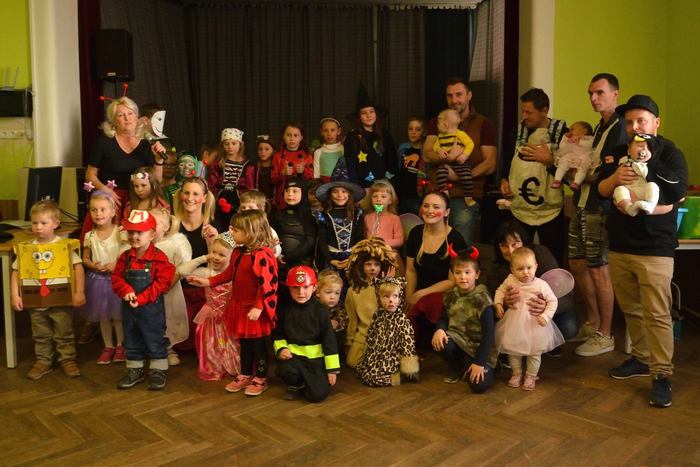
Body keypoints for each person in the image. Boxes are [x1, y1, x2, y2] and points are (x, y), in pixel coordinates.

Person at [598, 94, 688, 408]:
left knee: (658, 313)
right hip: (620, 245)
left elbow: (677, 192)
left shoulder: (670, 153)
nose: (635, 127)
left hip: (656, 248)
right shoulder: (617, 153)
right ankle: (640, 358)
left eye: (642, 121)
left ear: (656, 123)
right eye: (629, 122)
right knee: (631, 308)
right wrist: (614, 179)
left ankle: (662, 374)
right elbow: (601, 190)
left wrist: (648, 161)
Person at [187, 210, 279, 396]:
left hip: (255, 310)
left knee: (259, 346)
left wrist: (259, 306)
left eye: (236, 230)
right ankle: (245, 374)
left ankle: (261, 378)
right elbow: (229, 274)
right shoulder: (238, 252)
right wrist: (207, 282)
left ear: (251, 231)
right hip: (240, 307)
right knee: (244, 344)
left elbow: (267, 284)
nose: (231, 232)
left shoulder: (263, 255)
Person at [568, 74, 628, 357]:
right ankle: (593, 323)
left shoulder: (620, 127)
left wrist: (583, 174)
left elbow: (608, 173)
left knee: (598, 268)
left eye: (600, 92)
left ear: (615, 94)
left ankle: (605, 334)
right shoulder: (599, 126)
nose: (593, 98)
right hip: (582, 203)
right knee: (577, 262)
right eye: (590, 93)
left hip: (600, 207)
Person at [11, 200, 85, 379]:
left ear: (55, 223)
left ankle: (67, 359)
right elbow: (16, 272)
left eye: (43, 223)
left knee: (64, 332)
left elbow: (78, 268)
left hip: (61, 300)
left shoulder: (64, 246)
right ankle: (43, 361)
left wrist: (79, 292)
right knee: (40, 334)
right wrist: (15, 295)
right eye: (35, 222)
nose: (38, 227)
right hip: (36, 301)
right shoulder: (27, 248)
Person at [423, 77, 497, 245]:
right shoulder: (438, 121)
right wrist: (448, 156)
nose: (454, 100)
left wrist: (461, 176)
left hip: (465, 197)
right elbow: (427, 154)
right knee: (434, 246)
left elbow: (490, 164)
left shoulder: (483, 123)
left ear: (469, 95)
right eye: (449, 96)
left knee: (460, 248)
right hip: (437, 195)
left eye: (459, 94)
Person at [481, 221, 578, 345]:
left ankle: (545, 344)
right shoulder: (496, 266)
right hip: (516, 314)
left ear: (524, 242)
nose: (510, 250)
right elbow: (492, 294)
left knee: (568, 328)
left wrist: (546, 307)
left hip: (546, 310)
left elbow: (567, 296)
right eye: (504, 245)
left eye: (515, 244)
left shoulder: (541, 255)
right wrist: (503, 302)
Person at [112, 209, 175, 390]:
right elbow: (116, 278)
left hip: (151, 309)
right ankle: (135, 369)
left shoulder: (159, 258)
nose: (134, 236)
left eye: (140, 232)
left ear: (152, 235)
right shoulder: (125, 258)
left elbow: (162, 283)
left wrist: (141, 298)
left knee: (154, 337)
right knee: (131, 338)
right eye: (131, 232)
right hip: (129, 309)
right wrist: (126, 290)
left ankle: (158, 369)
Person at [494, 247, 564, 391]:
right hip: (514, 322)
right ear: (512, 269)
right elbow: (500, 290)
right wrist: (498, 303)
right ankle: (516, 373)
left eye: (529, 268)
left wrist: (546, 315)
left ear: (536, 266)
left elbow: (553, 301)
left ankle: (531, 375)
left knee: (534, 352)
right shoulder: (510, 280)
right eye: (520, 269)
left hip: (534, 323)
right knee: (513, 350)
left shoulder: (541, 285)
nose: (525, 272)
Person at [405, 191, 467, 347]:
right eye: (426, 206)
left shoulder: (456, 239)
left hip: (443, 296)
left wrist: (420, 294)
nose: (430, 210)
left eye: (436, 207)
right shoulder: (415, 233)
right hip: (417, 292)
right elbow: (411, 270)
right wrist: (409, 297)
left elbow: (452, 281)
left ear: (447, 212)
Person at [432, 249, 496, 394]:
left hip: (479, 350)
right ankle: (456, 366)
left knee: (479, 386)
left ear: (477, 274)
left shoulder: (482, 299)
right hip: (458, 342)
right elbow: (443, 317)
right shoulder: (451, 295)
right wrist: (440, 329)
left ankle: (477, 367)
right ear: (453, 274)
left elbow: (489, 335)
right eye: (458, 272)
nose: (463, 277)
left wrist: (479, 362)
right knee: (441, 341)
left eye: (467, 272)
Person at [178, 233, 240, 381]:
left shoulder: (236, 275)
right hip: (210, 318)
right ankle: (215, 366)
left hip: (229, 318)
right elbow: (182, 271)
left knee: (232, 345)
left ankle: (231, 365)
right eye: (214, 252)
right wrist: (205, 257)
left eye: (222, 255)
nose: (216, 257)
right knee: (210, 345)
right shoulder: (207, 272)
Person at [273, 266, 340, 402]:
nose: (301, 292)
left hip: (316, 361)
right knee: (284, 369)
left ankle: (306, 383)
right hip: (293, 358)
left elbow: (329, 341)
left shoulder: (320, 311)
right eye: (295, 288)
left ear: (314, 288)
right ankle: (295, 385)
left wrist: (332, 370)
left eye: (306, 287)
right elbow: (278, 334)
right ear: (289, 288)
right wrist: (281, 349)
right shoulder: (284, 309)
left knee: (318, 395)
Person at [173, 176, 220, 351]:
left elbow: (220, 267)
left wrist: (213, 242)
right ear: (180, 195)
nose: (190, 198)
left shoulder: (214, 226)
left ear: (204, 198)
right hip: (177, 288)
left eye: (195, 194)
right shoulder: (172, 225)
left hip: (203, 290)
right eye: (186, 193)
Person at [80, 191, 127, 365]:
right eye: (94, 210)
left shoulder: (120, 232)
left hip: (117, 280)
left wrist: (116, 264)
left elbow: (127, 254)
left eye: (102, 209)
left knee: (118, 316)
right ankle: (108, 346)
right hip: (98, 281)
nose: (98, 214)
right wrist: (93, 265)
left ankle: (121, 345)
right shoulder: (90, 236)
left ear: (113, 212)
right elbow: (85, 258)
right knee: (103, 316)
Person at [344, 237, 398, 368]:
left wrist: (387, 286)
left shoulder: (388, 287)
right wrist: (349, 341)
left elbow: (394, 314)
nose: (372, 268)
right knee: (352, 362)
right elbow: (352, 319)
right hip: (363, 336)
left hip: (384, 335)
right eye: (368, 264)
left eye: (376, 265)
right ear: (361, 266)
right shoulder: (353, 291)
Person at [356, 277, 419, 387]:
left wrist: (409, 368)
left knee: (371, 378)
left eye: (395, 296)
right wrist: (370, 354)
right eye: (386, 296)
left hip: (392, 359)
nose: (391, 300)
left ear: (400, 298)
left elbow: (408, 346)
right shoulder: (378, 315)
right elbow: (371, 336)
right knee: (361, 370)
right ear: (379, 298)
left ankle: (399, 378)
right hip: (377, 355)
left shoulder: (401, 320)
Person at [151, 208, 192, 366]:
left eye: (155, 224)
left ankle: (168, 348)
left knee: (168, 318)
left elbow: (180, 269)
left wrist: (167, 285)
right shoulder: (143, 245)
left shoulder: (173, 245)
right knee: (150, 319)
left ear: (166, 227)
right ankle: (152, 348)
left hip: (169, 291)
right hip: (149, 291)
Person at [343, 82, 398, 189]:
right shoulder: (352, 137)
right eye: (364, 113)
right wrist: (357, 189)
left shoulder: (385, 134)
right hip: (363, 188)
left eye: (371, 111)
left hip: (384, 187)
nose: (368, 115)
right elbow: (351, 166)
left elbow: (392, 161)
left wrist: (393, 185)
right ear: (359, 117)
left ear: (376, 113)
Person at [314, 177, 366, 272]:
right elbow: (322, 240)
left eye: (344, 191)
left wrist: (353, 258)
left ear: (349, 193)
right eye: (335, 191)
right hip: (331, 258)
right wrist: (331, 260)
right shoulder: (324, 215)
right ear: (329, 194)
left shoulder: (357, 213)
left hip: (353, 258)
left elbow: (360, 238)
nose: (340, 195)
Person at [269, 177, 317, 277]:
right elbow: (272, 237)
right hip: (278, 263)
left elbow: (310, 242)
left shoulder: (309, 216)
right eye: (287, 191)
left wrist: (287, 258)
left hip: (302, 266)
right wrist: (277, 255)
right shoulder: (277, 214)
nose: (290, 194)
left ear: (303, 193)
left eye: (295, 191)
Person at [433, 109, 476, 206]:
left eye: (438, 123)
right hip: (446, 163)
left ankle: (468, 197)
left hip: (460, 163)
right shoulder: (440, 136)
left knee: (467, 177)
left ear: (445, 125)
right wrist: (439, 150)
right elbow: (435, 146)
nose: (437, 125)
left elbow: (470, 144)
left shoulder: (460, 134)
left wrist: (465, 155)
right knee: (440, 173)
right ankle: (445, 193)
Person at [210, 128, 250, 226]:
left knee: (236, 223)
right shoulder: (218, 162)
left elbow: (249, 184)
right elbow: (212, 182)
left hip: (238, 198)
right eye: (226, 144)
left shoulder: (247, 164)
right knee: (219, 222)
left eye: (234, 143)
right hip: (220, 197)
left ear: (240, 144)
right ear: (222, 145)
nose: (230, 147)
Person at [612, 134, 660, 216]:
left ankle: (650, 205)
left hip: (643, 191)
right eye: (640, 146)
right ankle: (629, 208)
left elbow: (648, 175)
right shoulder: (624, 161)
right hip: (628, 191)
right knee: (619, 190)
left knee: (653, 186)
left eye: (649, 149)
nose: (644, 150)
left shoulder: (649, 166)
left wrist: (637, 165)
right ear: (629, 151)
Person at [363, 180, 404, 272]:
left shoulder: (394, 218)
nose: (378, 199)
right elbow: (364, 237)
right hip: (371, 255)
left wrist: (381, 242)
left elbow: (399, 240)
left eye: (383, 196)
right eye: (375, 196)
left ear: (390, 201)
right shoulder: (367, 217)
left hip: (390, 255)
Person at [271, 122, 314, 209]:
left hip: (301, 198)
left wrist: (302, 173)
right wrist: (283, 174)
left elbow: (311, 180)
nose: (292, 138)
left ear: (301, 137)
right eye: (288, 135)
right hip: (283, 197)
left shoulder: (307, 156)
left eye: (295, 135)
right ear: (283, 136)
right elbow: (273, 180)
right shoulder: (277, 156)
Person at [316, 269, 347, 363]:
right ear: (317, 292)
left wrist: (337, 321)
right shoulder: (314, 305)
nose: (333, 297)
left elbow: (343, 316)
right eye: (328, 292)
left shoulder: (340, 305)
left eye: (337, 293)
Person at [396, 117, 426, 215]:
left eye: (418, 129)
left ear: (424, 132)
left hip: (419, 194)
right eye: (410, 129)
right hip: (403, 194)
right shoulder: (403, 148)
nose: (413, 132)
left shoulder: (426, 149)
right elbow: (398, 169)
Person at [551, 121, 594, 190]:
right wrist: (564, 138)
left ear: (584, 131)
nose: (570, 131)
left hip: (583, 157)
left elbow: (589, 146)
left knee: (583, 169)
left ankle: (576, 182)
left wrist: (579, 141)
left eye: (572, 129)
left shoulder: (589, 138)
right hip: (571, 156)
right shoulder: (570, 138)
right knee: (563, 163)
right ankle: (557, 180)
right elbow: (562, 147)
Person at [244, 134, 276, 209]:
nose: (263, 152)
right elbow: (250, 188)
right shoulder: (252, 170)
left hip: (274, 205)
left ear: (273, 151)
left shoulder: (276, 169)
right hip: (257, 205)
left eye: (267, 149)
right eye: (260, 149)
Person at [313, 117, 344, 183]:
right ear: (321, 132)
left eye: (332, 130)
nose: (329, 134)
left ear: (338, 131)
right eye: (325, 130)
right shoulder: (318, 152)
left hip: (340, 184)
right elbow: (316, 175)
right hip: (324, 185)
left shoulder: (343, 149)